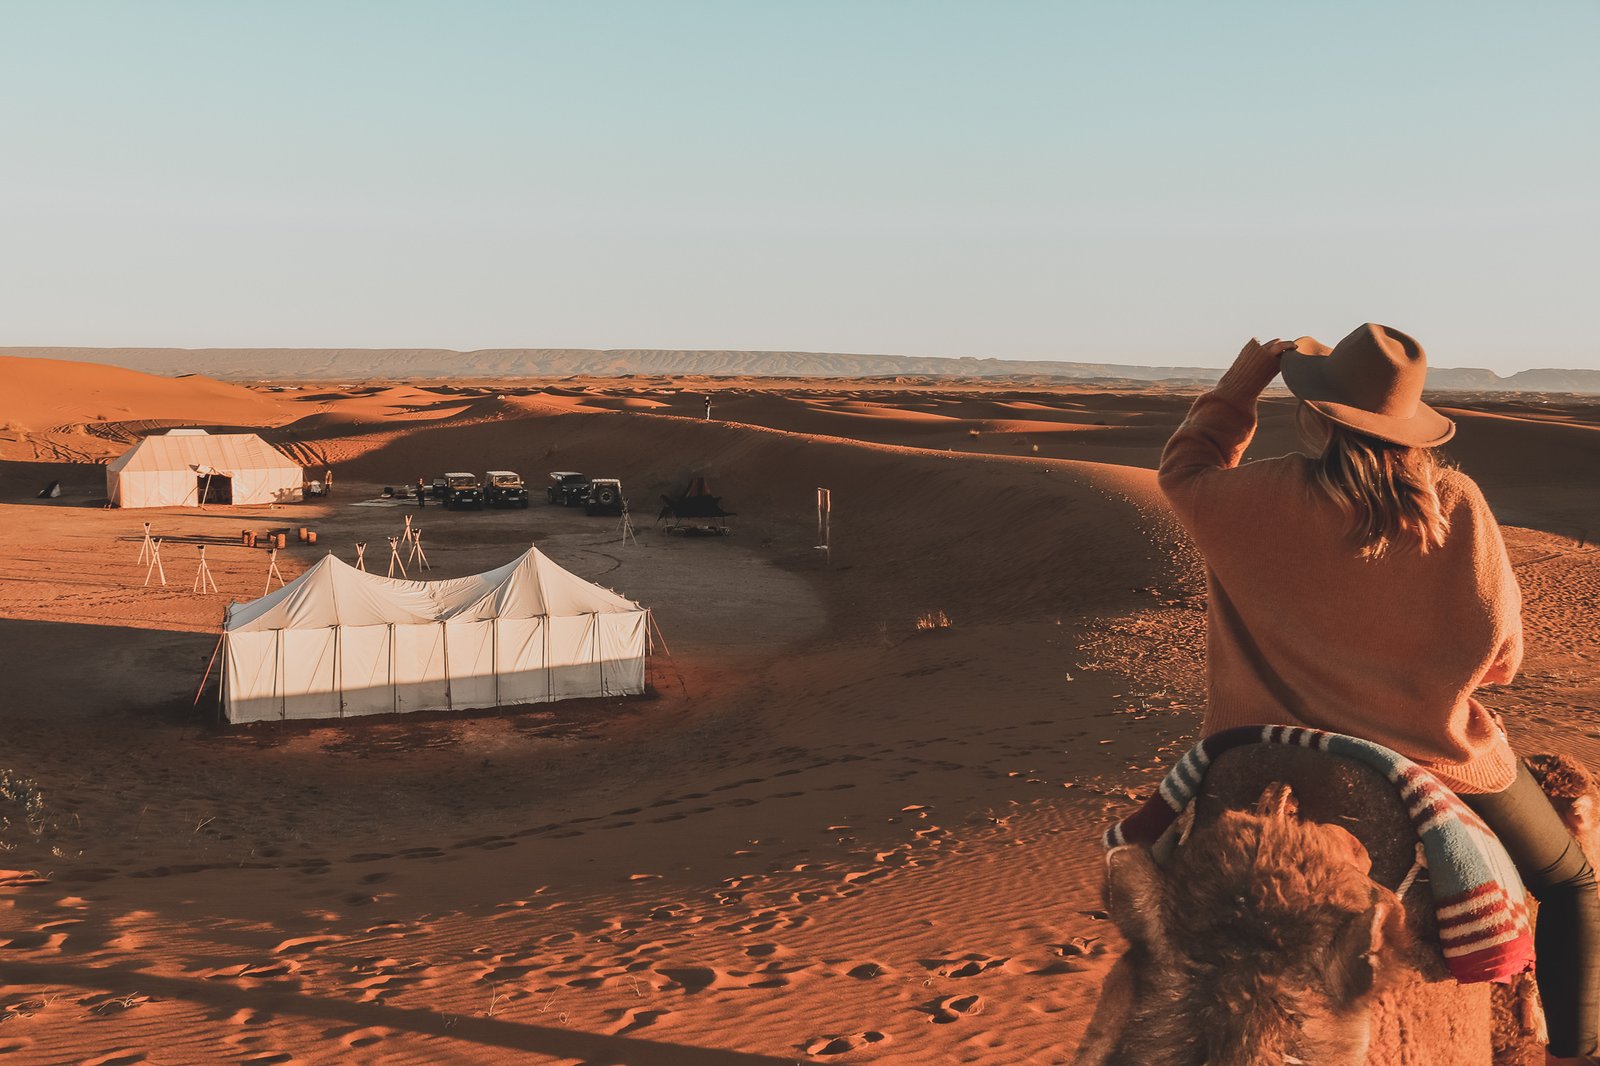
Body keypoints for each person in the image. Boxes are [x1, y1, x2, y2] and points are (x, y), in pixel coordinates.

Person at [1158, 324, 1599, 1065]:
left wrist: (1243, 384)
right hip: (1428, 752)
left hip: (1254, 743)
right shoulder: (1453, 502)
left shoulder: (1253, 493)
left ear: (1317, 413)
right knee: (1574, 883)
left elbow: (1184, 468)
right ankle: (1576, 1054)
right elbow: (1503, 656)